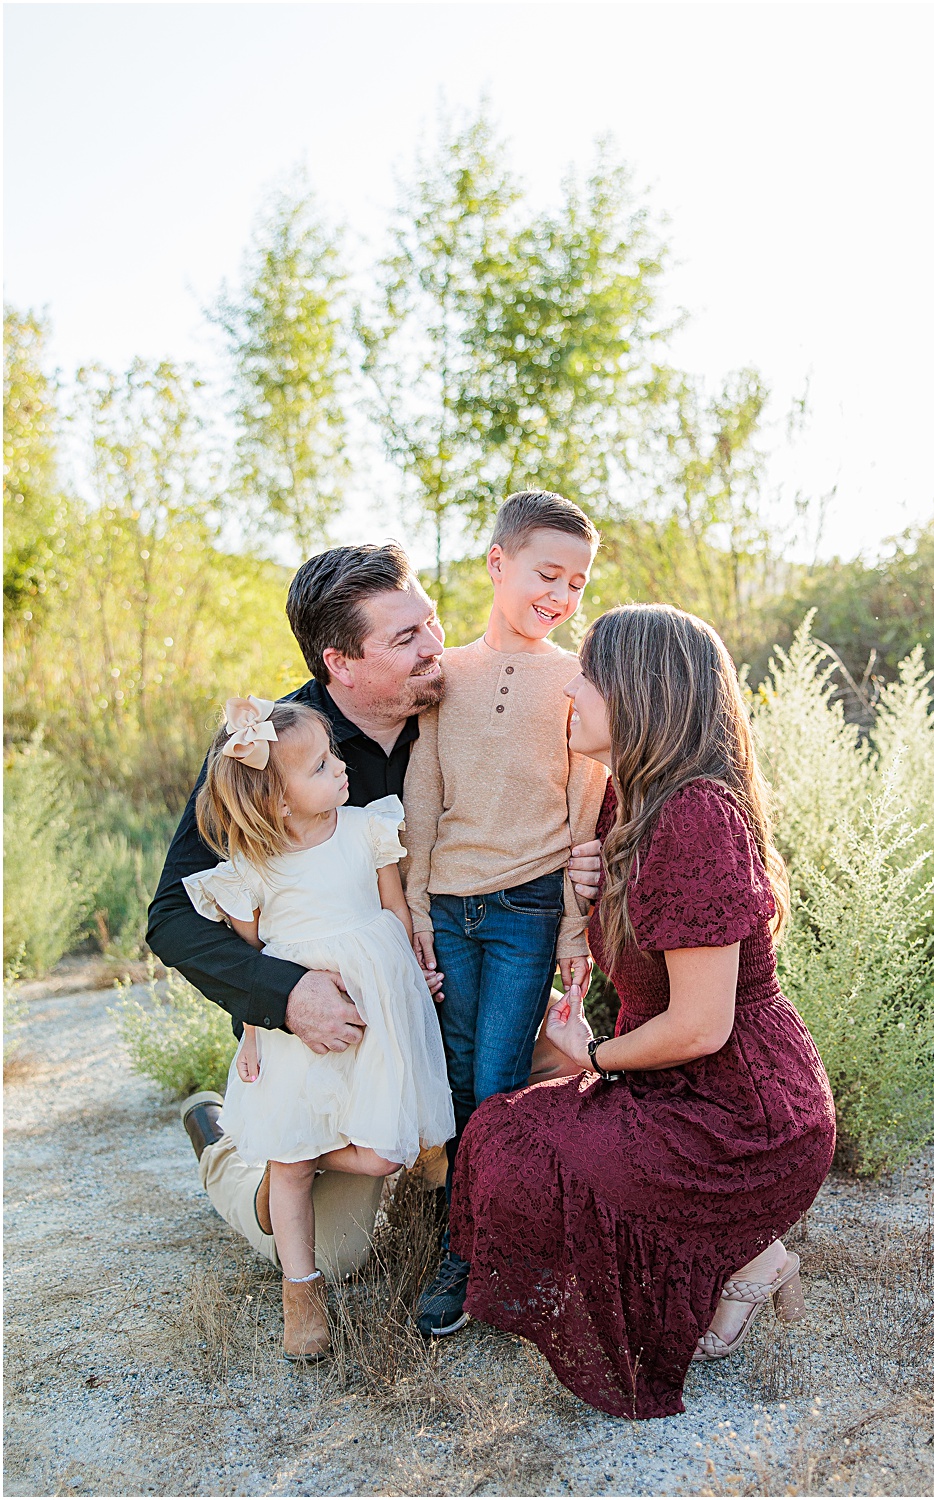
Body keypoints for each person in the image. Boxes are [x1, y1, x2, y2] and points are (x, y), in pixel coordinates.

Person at [147, 540, 598, 1285]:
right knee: (337, 1254)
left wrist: (591, 853)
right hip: (335, 1034)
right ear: (341, 663)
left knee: (568, 1057)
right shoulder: (271, 751)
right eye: (406, 638)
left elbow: (560, 790)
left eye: (432, 623)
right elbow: (172, 914)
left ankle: (448, 1178)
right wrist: (288, 995)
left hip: (455, 989)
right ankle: (227, 1144)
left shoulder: (467, 700)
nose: (435, 647)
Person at [449, 604, 837, 1419]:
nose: (571, 691)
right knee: (502, 1133)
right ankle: (752, 1256)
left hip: (742, 1113)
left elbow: (701, 1025)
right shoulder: (629, 802)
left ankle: (742, 1249)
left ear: (639, 690)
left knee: (519, 1149)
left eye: (587, 675)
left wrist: (589, 1061)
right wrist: (591, 891)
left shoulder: (695, 816)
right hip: (676, 1083)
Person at [181, 695, 453, 1359]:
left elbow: (394, 913)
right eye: (322, 767)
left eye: (334, 756)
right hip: (294, 1030)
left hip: (374, 1014)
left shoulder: (367, 829)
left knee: (388, 1150)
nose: (341, 771)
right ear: (277, 801)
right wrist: (251, 1035)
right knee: (295, 1169)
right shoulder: (250, 871)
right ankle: (300, 1295)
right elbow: (249, 967)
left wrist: (420, 975)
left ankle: (286, 1150)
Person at [403, 490, 609, 1337]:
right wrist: (415, 904)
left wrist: (569, 926)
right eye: (546, 574)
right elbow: (424, 792)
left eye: (577, 583)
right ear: (498, 565)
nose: (560, 594)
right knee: (453, 1078)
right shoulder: (445, 673)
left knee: (495, 1082)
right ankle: (459, 1229)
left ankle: (482, 1251)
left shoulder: (575, 681)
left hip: (527, 907)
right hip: (449, 905)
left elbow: (583, 806)